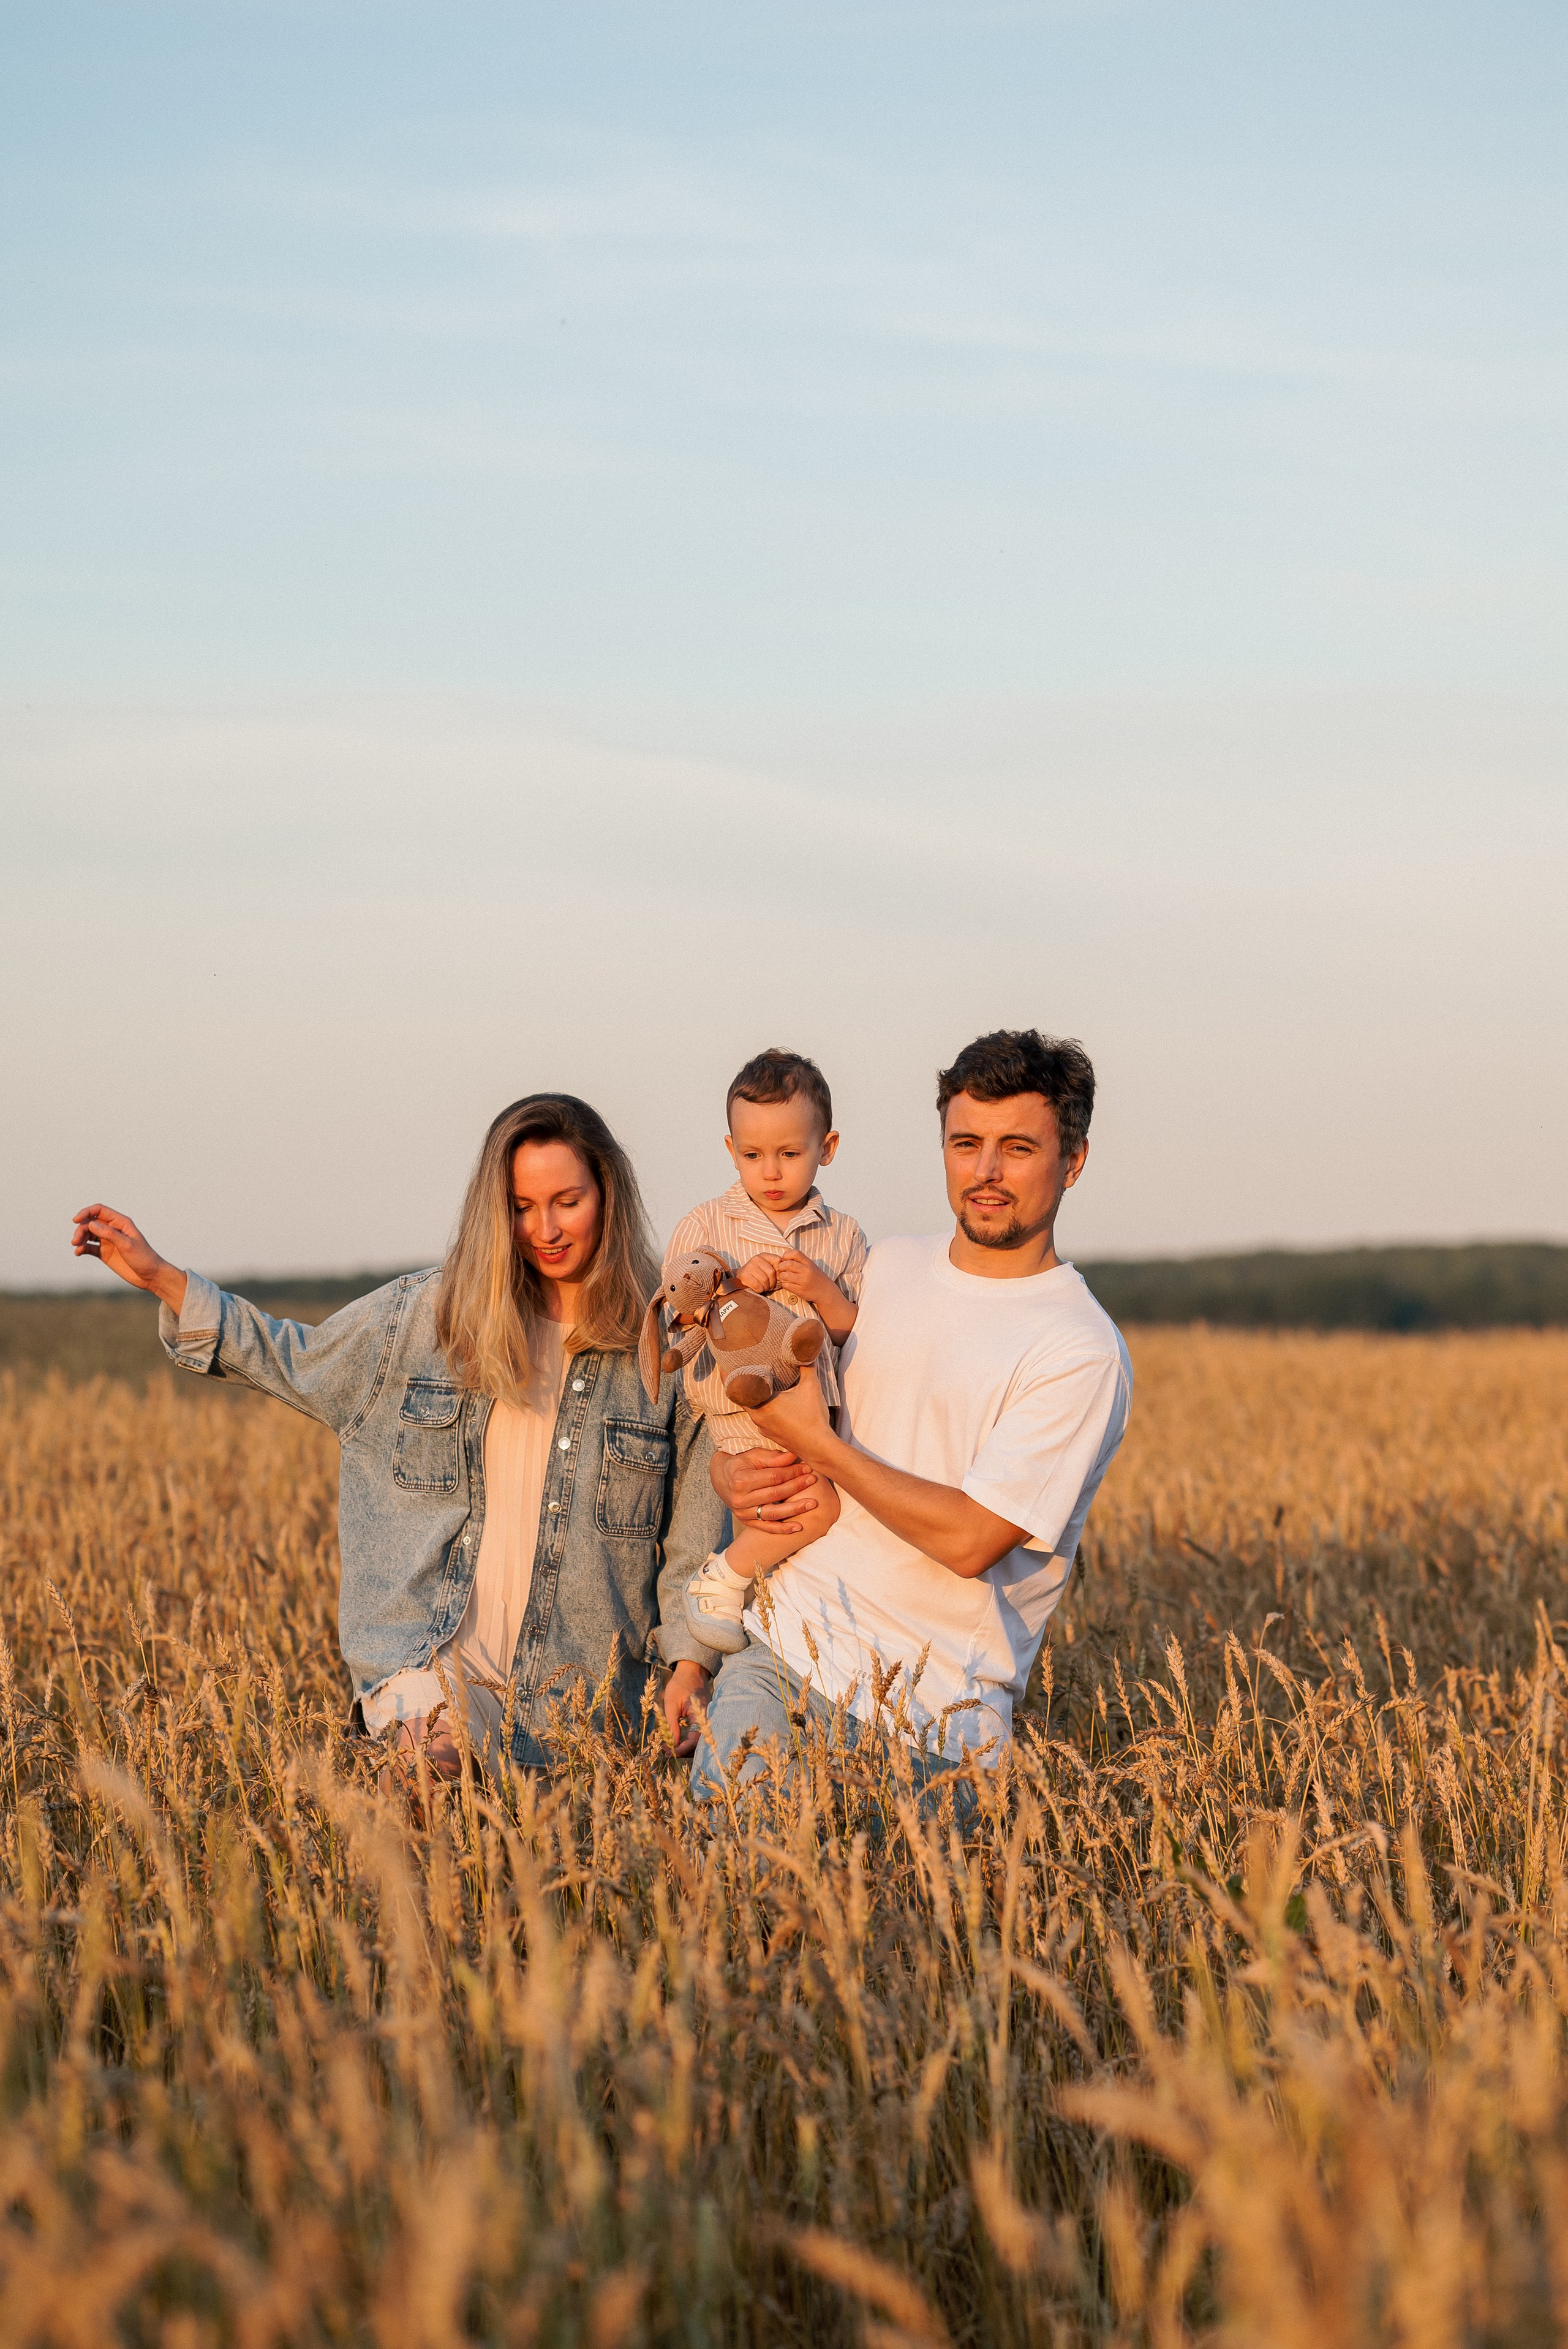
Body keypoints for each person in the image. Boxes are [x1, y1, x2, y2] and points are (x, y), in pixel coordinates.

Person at [71, 1095, 726, 1778]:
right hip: (433, 1663)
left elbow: (695, 1541)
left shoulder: (671, 1349)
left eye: (567, 1200)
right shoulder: (426, 1319)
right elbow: (297, 1359)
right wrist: (162, 1278)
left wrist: (690, 1665)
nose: (545, 1228)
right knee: (424, 1788)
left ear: (608, 1196)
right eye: (522, 1206)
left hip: (581, 1701)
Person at [693, 1028, 1133, 1795]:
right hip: (777, 1656)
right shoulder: (885, 1265)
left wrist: (821, 1449)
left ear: (1075, 1159)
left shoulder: (1079, 1348)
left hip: (932, 1723)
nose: (985, 1172)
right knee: (715, 1904)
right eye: (966, 1143)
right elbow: (785, 1405)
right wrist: (731, 1471)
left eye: (1018, 1148)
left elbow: (971, 1540)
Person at [669, 1050, 867, 1656]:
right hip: (745, 1412)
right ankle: (717, 1585)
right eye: (753, 1156)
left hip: (818, 1416)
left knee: (795, 1532)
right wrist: (733, 1286)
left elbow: (855, 1336)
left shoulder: (845, 1236)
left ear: (826, 1146)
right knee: (812, 1509)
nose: (771, 1171)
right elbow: (679, 1312)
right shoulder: (705, 1223)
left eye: (790, 1153)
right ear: (732, 1151)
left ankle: (756, 1624)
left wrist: (821, 1290)